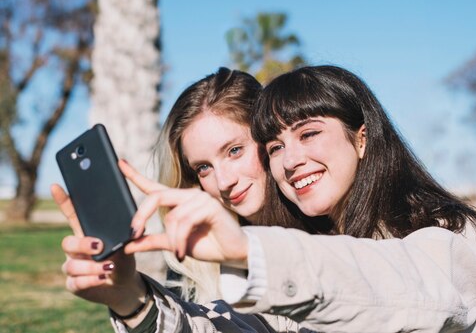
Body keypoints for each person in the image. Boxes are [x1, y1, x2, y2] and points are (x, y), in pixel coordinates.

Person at [125, 65, 476, 332]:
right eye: (276, 146)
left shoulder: (451, 233)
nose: (292, 159)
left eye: (309, 134)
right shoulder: (313, 242)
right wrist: (129, 298)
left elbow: (402, 286)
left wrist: (252, 253)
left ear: (361, 137)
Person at [55, 68, 311, 332]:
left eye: (234, 151)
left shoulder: (329, 226)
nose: (223, 182)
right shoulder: (190, 265)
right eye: (203, 168)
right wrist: (130, 298)